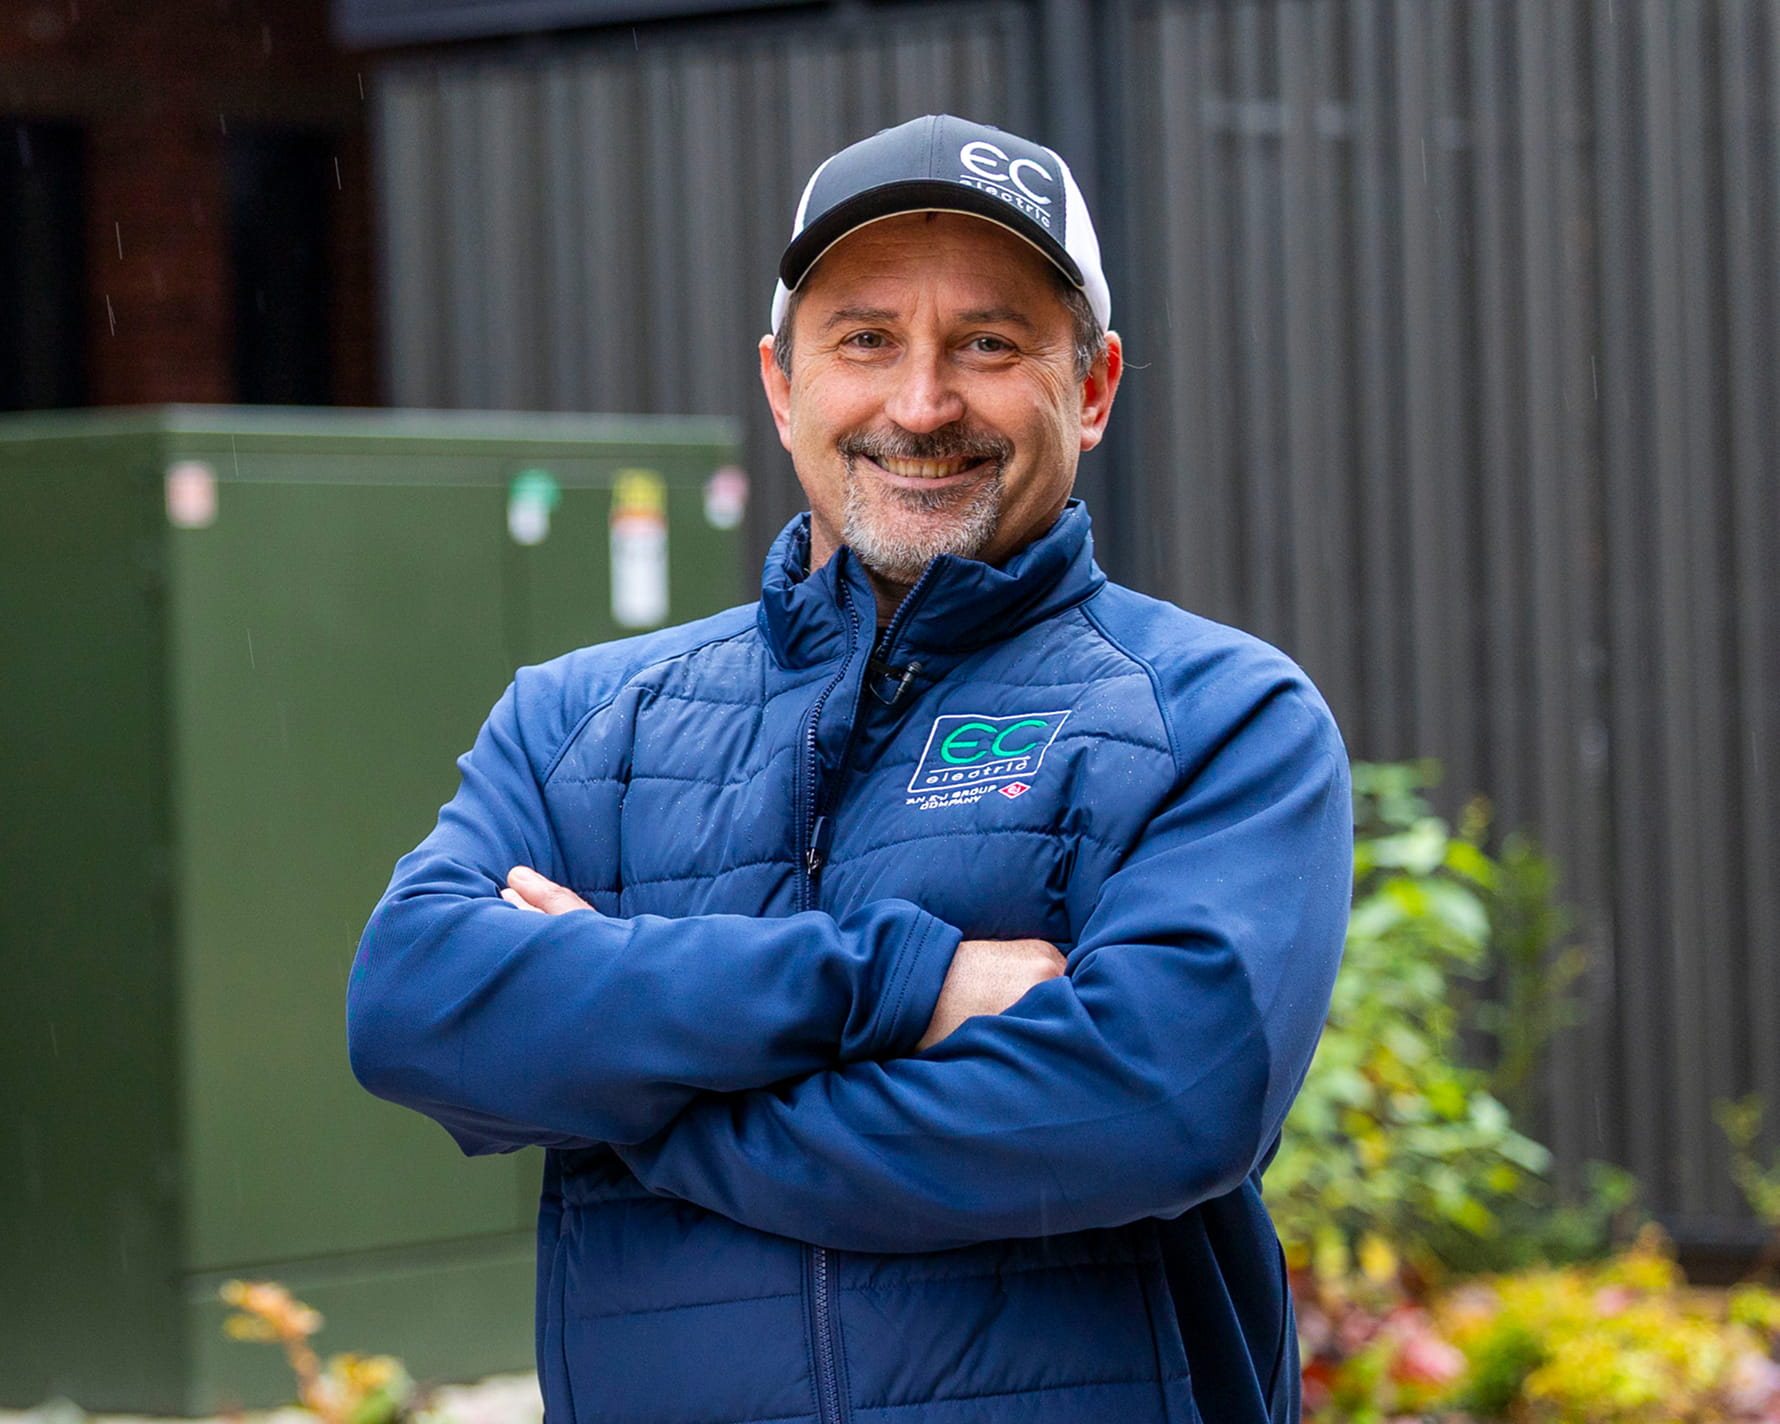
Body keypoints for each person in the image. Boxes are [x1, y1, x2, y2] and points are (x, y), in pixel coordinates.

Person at [348, 114, 1351, 1424]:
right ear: (781, 384)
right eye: (865, 339)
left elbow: (1158, 1103)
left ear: (1094, 388)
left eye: (988, 344)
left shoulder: (1220, 717)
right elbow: (421, 1006)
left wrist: (655, 1105)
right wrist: (907, 982)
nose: (921, 404)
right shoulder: (584, 722)